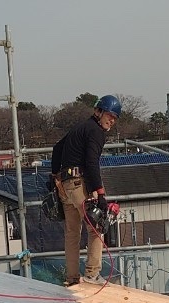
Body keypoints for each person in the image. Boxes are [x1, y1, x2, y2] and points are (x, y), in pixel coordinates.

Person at [51, 94, 121, 286]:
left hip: (65, 186)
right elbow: (91, 163)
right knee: (97, 227)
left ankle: (72, 278)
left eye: (115, 118)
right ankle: (92, 274)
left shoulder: (80, 128)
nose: (112, 121)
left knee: (72, 233)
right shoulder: (96, 132)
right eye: (110, 115)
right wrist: (100, 193)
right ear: (98, 112)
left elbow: (57, 149)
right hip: (78, 185)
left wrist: (55, 177)